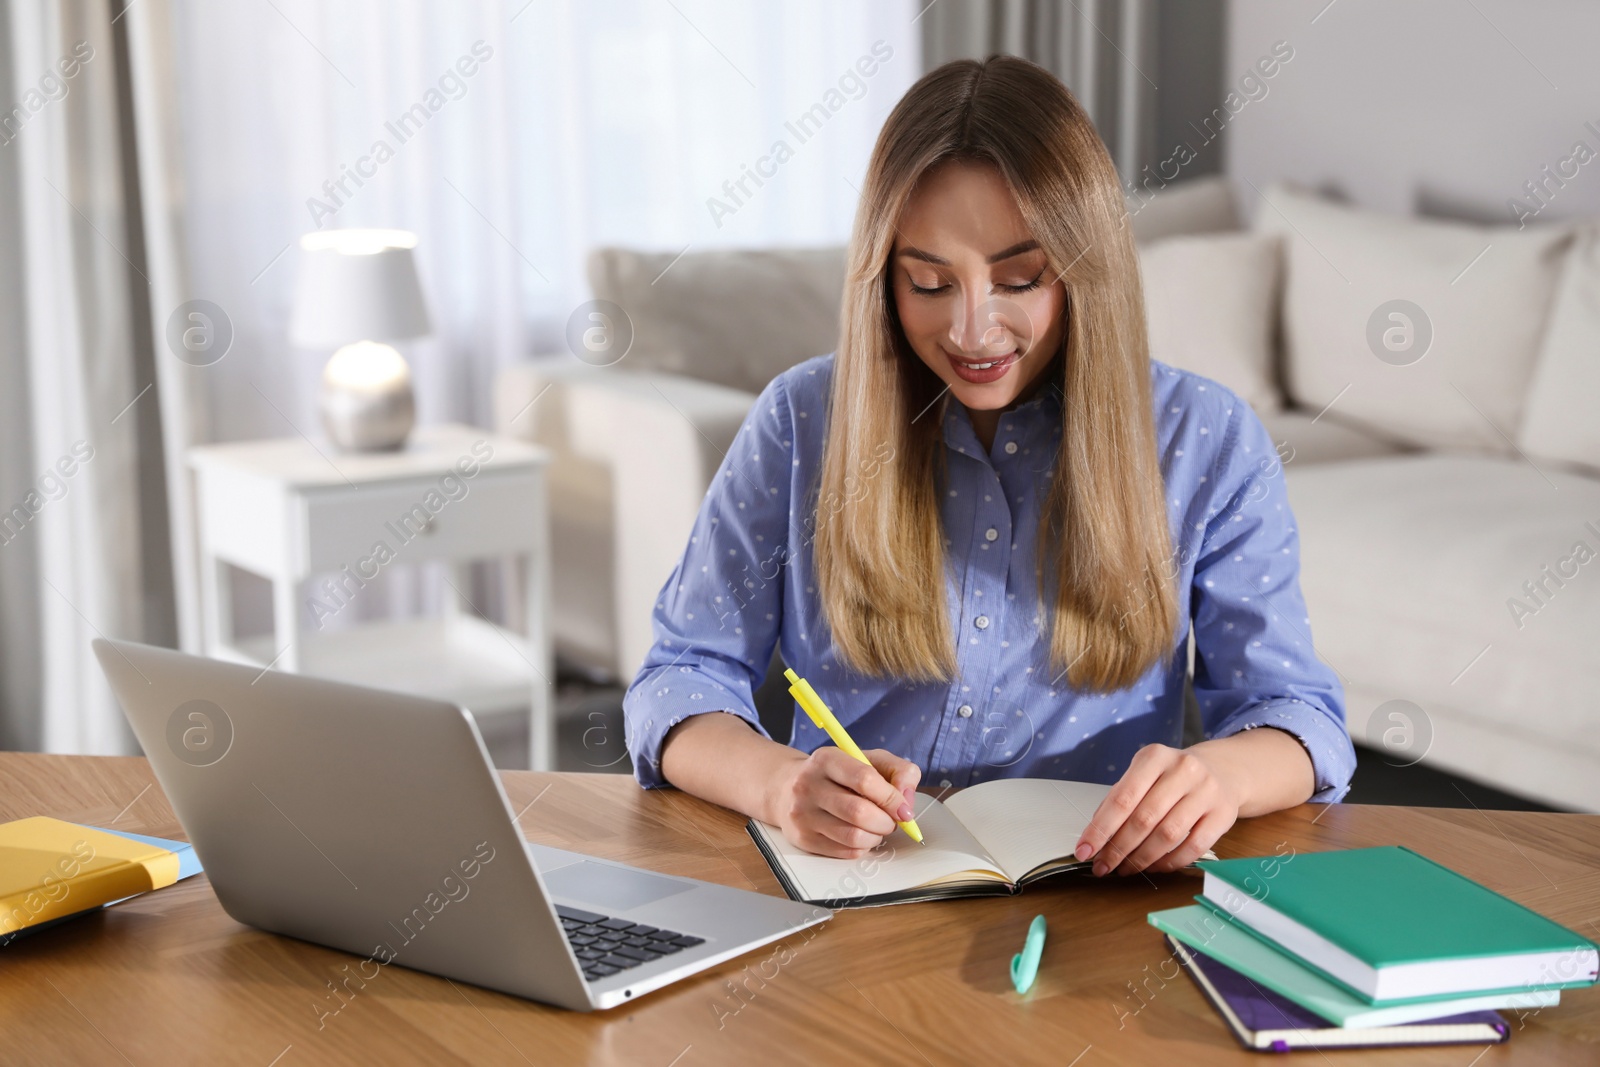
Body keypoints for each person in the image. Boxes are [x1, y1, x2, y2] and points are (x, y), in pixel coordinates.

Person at [621, 54, 1354, 877]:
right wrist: (779, 784)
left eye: (1021, 278)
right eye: (930, 282)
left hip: (1094, 905)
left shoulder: (1207, 438)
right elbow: (677, 680)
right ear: (883, 278)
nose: (973, 330)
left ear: (1085, 271)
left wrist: (1217, 775)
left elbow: (1299, 715)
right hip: (850, 898)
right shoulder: (802, 422)